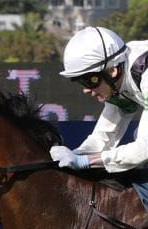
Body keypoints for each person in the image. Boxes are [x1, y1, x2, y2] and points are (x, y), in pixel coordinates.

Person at [51, 25, 148, 172]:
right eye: (80, 82)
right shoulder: (117, 79)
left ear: (112, 71)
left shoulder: (144, 73)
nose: (86, 90)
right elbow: (103, 140)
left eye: (89, 80)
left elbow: (145, 148)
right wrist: (74, 155)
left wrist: (84, 161)